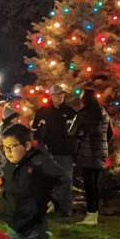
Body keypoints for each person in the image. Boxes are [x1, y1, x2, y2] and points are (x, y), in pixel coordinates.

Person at [32, 86, 78, 217]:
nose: (60, 97)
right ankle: (46, 205)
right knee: (47, 180)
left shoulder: (70, 112)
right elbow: (35, 132)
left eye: (62, 94)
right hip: (48, 152)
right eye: (57, 95)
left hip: (65, 152)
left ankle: (65, 209)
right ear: (51, 96)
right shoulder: (43, 112)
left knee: (67, 180)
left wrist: (74, 149)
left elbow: (76, 131)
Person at [69, 88, 112, 225]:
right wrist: (103, 144)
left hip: (87, 154)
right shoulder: (103, 113)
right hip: (100, 153)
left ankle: (91, 215)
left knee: (89, 185)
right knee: (95, 184)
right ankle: (95, 214)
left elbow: (72, 133)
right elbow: (110, 132)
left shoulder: (83, 114)